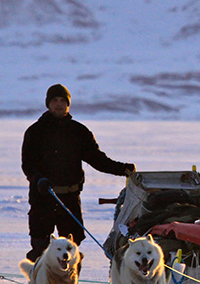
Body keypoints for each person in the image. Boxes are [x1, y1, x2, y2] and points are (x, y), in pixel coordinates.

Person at [21, 82, 135, 265]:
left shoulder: (79, 131)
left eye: (63, 101)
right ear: (48, 104)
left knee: (72, 249)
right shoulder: (35, 132)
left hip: (70, 197)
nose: (59, 104)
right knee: (40, 248)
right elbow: (28, 165)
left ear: (68, 104)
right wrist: (38, 179)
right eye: (55, 100)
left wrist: (122, 169)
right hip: (43, 197)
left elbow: (97, 159)